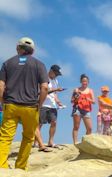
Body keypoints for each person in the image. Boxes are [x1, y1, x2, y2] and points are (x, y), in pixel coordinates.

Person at [0, 37, 49, 170]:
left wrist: (2, 102)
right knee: (28, 137)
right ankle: (21, 167)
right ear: (32, 51)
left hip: (10, 105)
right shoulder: (39, 64)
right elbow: (44, 87)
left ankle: (1, 167)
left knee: (5, 137)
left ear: (17, 48)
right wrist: (39, 104)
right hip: (31, 106)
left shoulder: (7, 63)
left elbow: (1, 85)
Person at [34, 64, 64, 152]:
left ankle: (50, 141)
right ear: (51, 71)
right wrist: (55, 90)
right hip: (43, 104)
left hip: (52, 105)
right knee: (39, 123)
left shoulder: (55, 81)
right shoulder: (43, 78)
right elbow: (40, 92)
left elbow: (54, 94)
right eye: (56, 73)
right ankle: (36, 142)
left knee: (54, 122)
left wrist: (58, 101)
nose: (57, 75)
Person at [71, 74, 95, 144]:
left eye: (86, 81)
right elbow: (72, 100)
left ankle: (85, 142)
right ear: (81, 82)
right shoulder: (76, 89)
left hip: (86, 110)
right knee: (76, 127)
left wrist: (88, 99)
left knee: (89, 128)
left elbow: (94, 101)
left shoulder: (90, 90)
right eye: (83, 81)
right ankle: (75, 142)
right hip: (77, 108)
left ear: (88, 82)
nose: (85, 82)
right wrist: (76, 97)